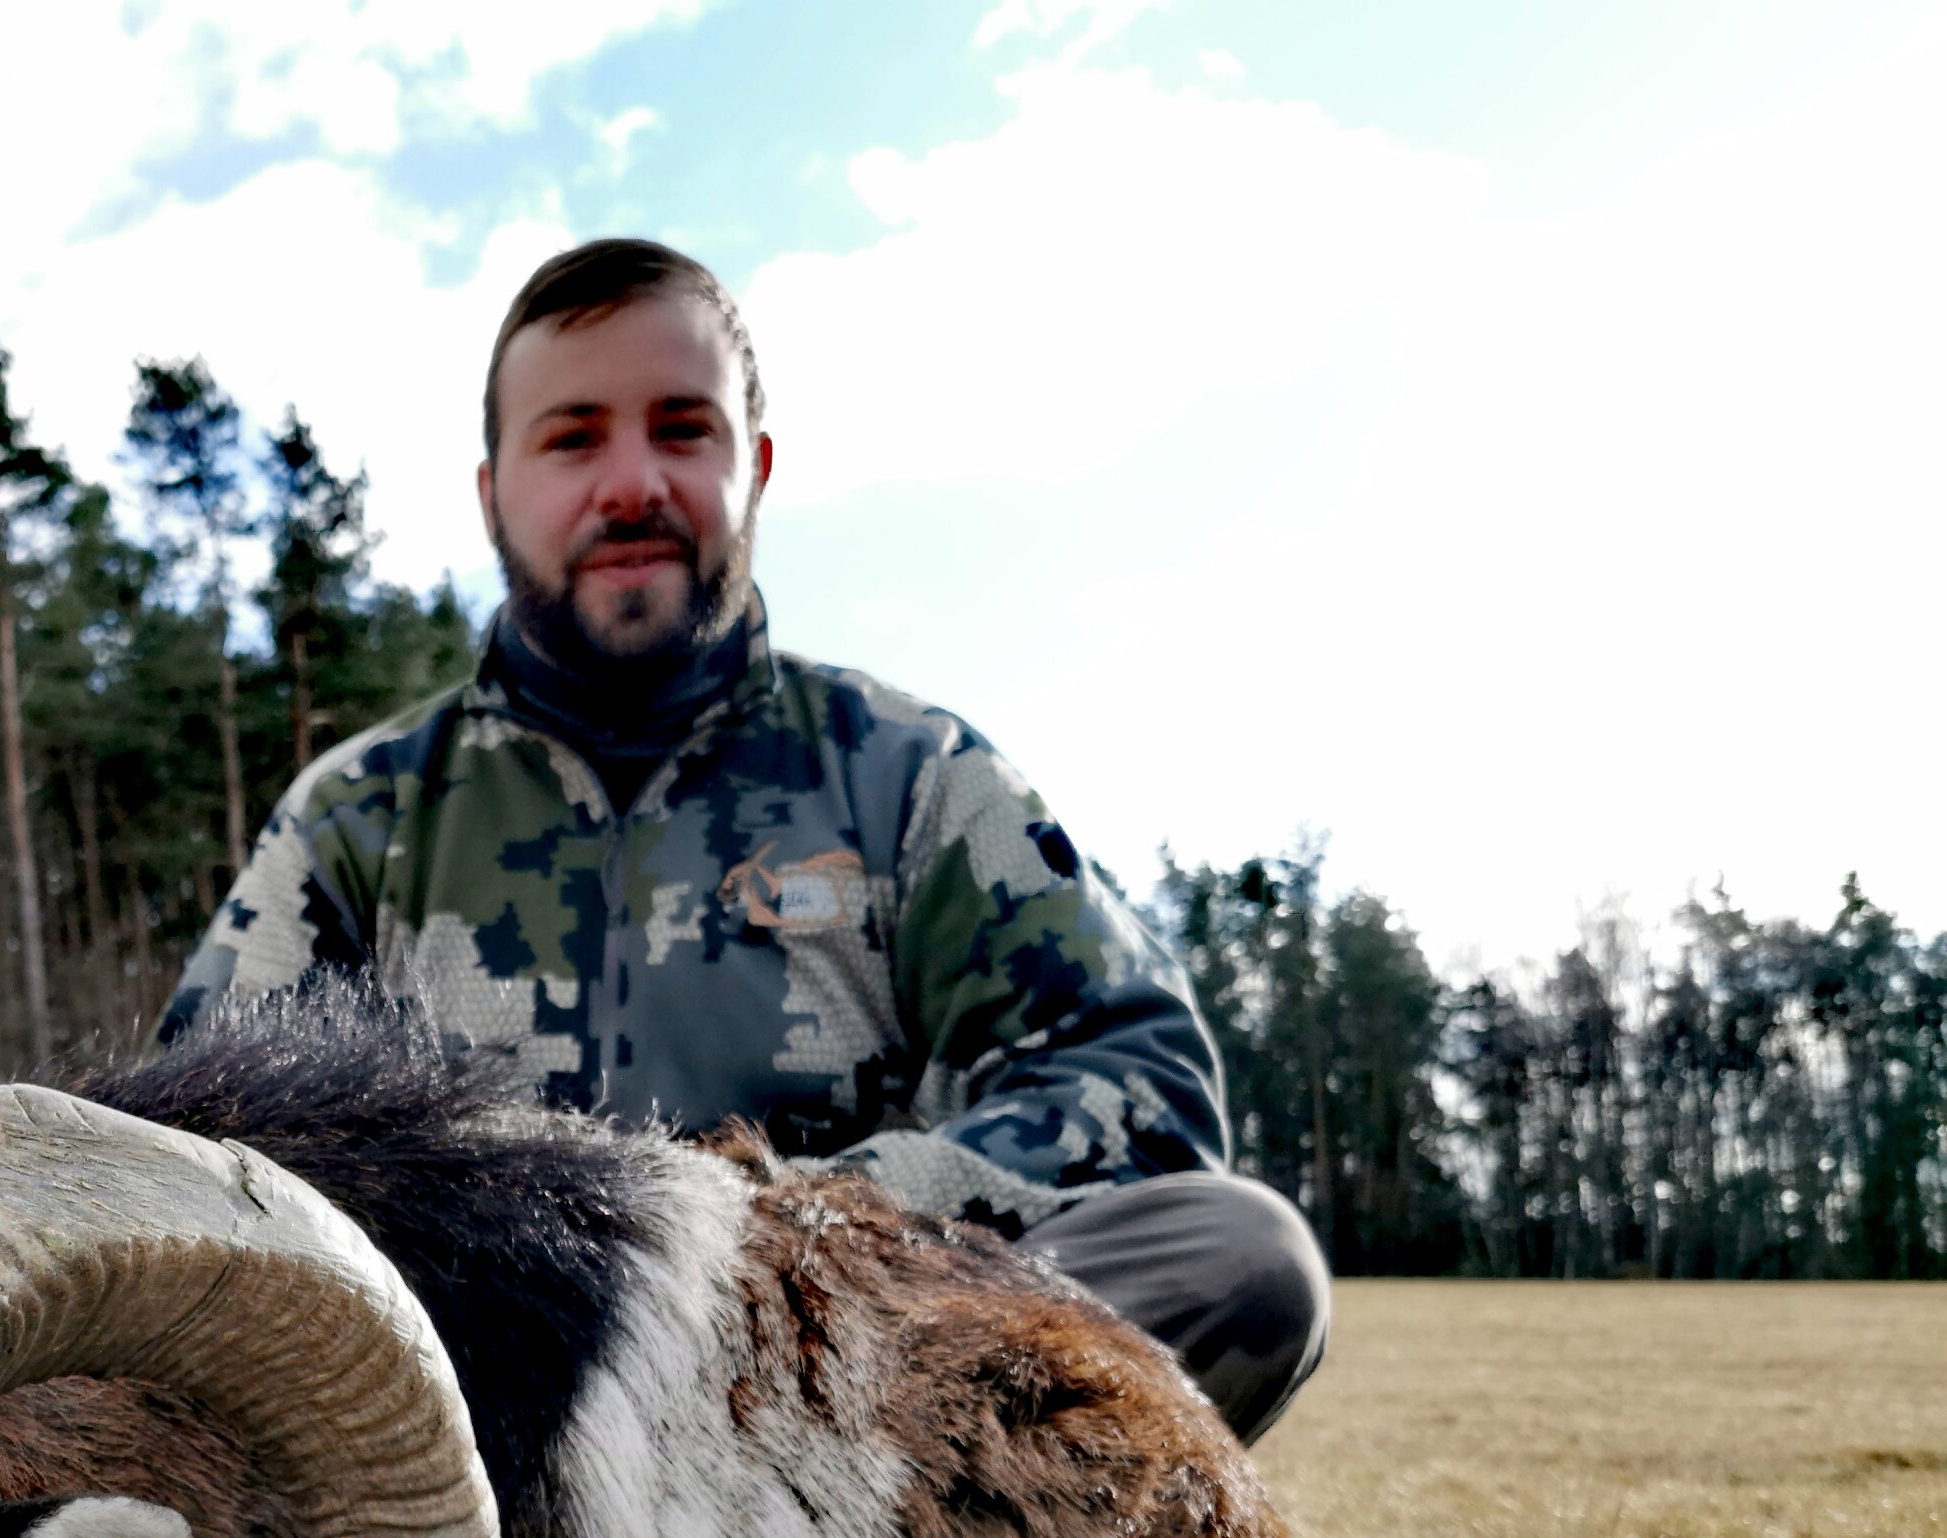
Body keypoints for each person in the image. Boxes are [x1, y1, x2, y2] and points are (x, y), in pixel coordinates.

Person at [153, 238, 1328, 1443]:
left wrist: (787, 1230)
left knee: (1239, 1258)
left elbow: (1136, 1086)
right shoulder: (360, 818)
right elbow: (197, 1167)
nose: (632, 483)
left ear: (753, 467)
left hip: (846, 1409)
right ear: (493, 489)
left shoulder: (914, 775)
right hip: (484, 1425)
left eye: (682, 428)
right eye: (572, 437)